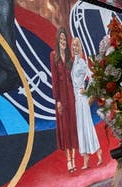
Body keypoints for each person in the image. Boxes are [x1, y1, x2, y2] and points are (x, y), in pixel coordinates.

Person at [71, 37, 102, 169]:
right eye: (73, 45)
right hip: (77, 100)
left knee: (87, 126)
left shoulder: (82, 62)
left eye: (77, 45)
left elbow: (93, 77)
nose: (74, 48)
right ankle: (86, 159)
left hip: (82, 99)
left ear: (80, 47)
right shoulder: (74, 63)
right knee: (81, 128)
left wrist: (87, 91)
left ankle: (98, 151)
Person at [50, 28, 78, 173]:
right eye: (60, 40)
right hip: (62, 96)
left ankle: (74, 160)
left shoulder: (69, 58)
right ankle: (68, 160)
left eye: (64, 40)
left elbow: (74, 78)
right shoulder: (53, 56)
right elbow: (54, 80)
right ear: (57, 40)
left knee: (72, 128)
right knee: (64, 127)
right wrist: (57, 100)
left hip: (71, 96)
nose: (62, 42)